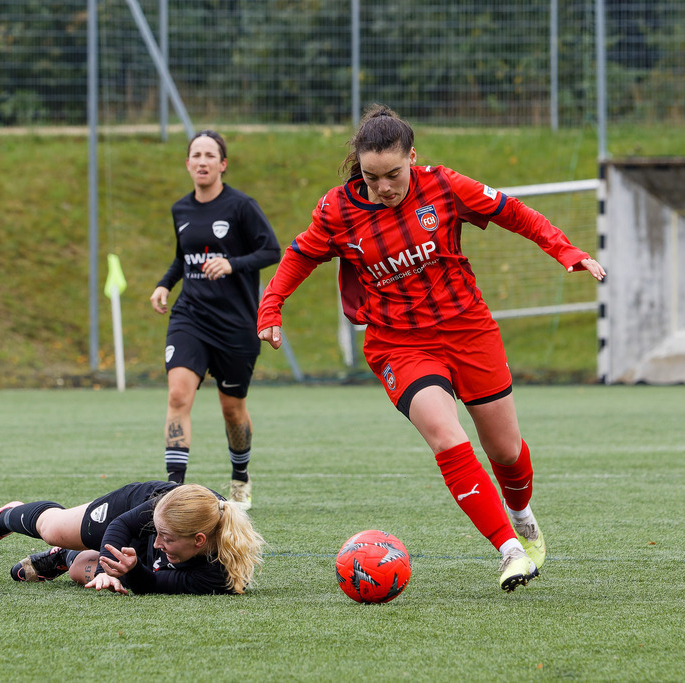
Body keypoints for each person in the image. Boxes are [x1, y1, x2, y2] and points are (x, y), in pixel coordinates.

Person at [257, 104, 606, 592]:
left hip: (469, 330)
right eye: (372, 176)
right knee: (446, 434)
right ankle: (510, 550)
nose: (383, 187)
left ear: (413, 158)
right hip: (399, 345)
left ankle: (522, 515)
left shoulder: (443, 186)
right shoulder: (337, 210)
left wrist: (565, 250)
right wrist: (270, 307)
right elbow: (298, 256)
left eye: (394, 175)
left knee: (505, 450)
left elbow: (514, 213)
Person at [149, 130, 281, 509]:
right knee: (177, 395)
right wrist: (164, 285)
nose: (202, 161)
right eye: (196, 155)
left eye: (210, 155)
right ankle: (172, 490)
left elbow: (271, 249)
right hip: (190, 316)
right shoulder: (181, 209)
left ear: (222, 164)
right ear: (188, 163)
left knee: (232, 408)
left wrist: (232, 263)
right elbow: (183, 257)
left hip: (235, 324)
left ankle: (240, 476)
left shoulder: (241, 206)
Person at [0, 481, 265, 595]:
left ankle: (64, 557)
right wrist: (106, 570)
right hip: (128, 510)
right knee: (54, 531)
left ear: (199, 540)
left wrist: (127, 572)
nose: (156, 542)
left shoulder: (219, 576)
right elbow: (121, 525)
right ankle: (6, 516)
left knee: (81, 571)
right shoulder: (169, 506)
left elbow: (154, 585)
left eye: (165, 539)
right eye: (157, 535)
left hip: (158, 545)